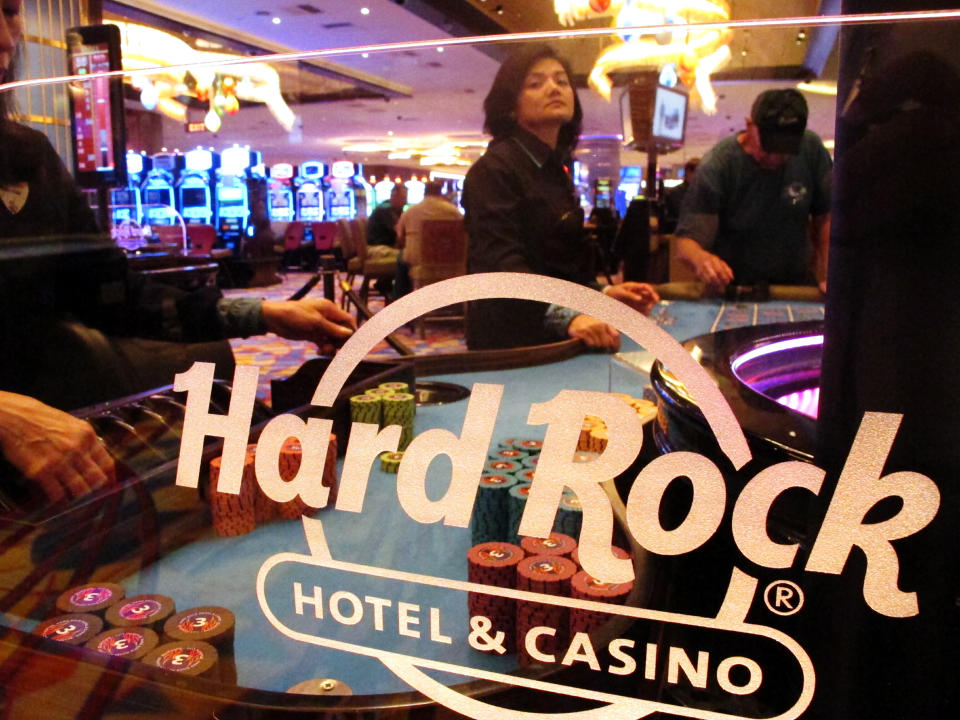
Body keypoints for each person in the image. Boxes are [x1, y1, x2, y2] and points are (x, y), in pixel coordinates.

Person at [0, 0, 356, 501]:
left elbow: (118, 298)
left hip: (59, 435)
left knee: (218, 377)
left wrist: (267, 312)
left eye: (12, 11)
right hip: (25, 440)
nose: (5, 34)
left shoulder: (26, 155)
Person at [463, 44, 659, 351]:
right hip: (511, 344)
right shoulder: (493, 170)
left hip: (557, 339)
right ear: (510, 105)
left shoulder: (554, 168)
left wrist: (602, 293)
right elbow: (501, 266)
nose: (553, 88)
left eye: (561, 81)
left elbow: (558, 267)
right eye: (535, 83)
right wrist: (566, 317)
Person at [673, 89, 832, 293]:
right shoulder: (718, 165)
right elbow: (687, 244)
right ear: (750, 126)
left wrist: (832, 274)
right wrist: (702, 260)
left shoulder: (811, 149)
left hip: (796, 285)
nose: (775, 158)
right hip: (736, 289)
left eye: (785, 151)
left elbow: (826, 218)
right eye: (768, 148)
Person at [393, 179, 463, 299]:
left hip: (418, 262)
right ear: (440, 193)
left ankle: (400, 301)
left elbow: (400, 239)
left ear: (424, 193)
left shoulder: (410, 211)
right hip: (449, 262)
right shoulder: (453, 211)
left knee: (401, 258)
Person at [365, 183, 406, 295]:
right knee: (406, 257)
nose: (405, 200)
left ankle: (385, 283)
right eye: (403, 197)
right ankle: (398, 294)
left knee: (405, 254)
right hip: (376, 248)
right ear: (393, 195)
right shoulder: (385, 209)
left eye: (405, 197)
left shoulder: (394, 210)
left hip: (383, 247)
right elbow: (397, 231)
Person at [659, 157, 699, 235]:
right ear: (688, 173)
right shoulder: (675, 193)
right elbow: (677, 215)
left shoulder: (701, 192)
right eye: (697, 173)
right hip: (679, 234)